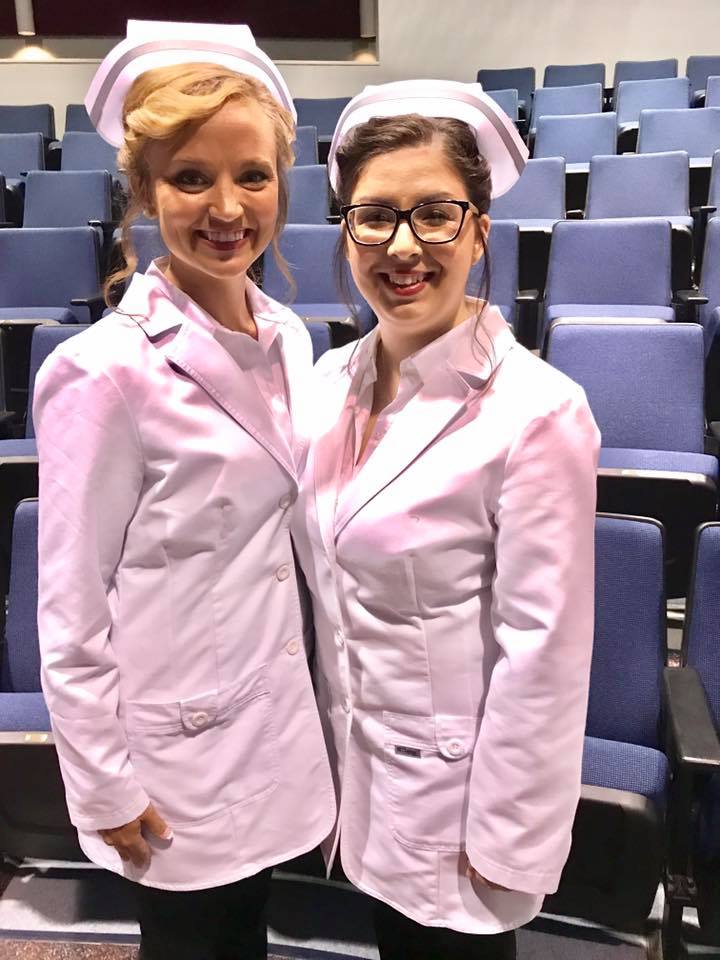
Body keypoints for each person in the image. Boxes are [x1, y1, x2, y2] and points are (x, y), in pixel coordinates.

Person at [34, 20, 334, 960]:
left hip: (276, 715)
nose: (227, 206)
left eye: (251, 175)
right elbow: (69, 608)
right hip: (177, 751)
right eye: (190, 178)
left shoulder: (291, 335)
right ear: (143, 192)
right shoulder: (101, 373)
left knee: (250, 934)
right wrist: (102, 783)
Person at [292, 80, 601, 959]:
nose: (402, 246)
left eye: (434, 214)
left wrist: (511, 841)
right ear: (345, 230)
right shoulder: (323, 385)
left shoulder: (539, 411)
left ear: (478, 232)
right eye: (373, 216)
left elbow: (544, 653)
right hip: (357, 783)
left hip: (462, 809)